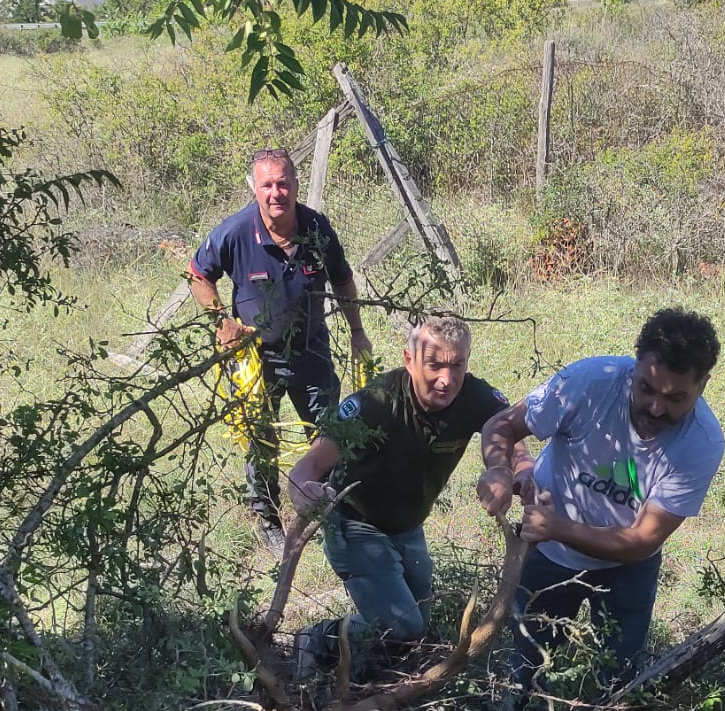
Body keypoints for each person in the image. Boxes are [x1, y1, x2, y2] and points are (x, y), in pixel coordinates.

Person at [475, 307, 724, 694]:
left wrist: (557, 527)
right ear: (635, 363)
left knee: (620, 679)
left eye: (676, 398)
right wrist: (499, 470)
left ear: (703, 386)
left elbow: (643, 539)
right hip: (548, 557)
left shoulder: (701, 443)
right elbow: (501, 425)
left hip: (627, 568)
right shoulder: (588, 383)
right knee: (529, 666)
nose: (656, 407)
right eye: (646, 388)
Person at [287, 313, 506, 669]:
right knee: (404, 626)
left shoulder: (474, 395)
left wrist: (504, 470)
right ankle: (319, 637)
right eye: (434, 365)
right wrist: (304, 492)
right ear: (409, 360)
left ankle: (366, 665)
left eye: (457, 365)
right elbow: (306, 468)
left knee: (417, 624)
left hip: (407, 526)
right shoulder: (376, 401)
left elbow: (508, 429)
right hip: (355, 523)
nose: (446, 379)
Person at [189, 149, 373, 556]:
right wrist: (223, 320)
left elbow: (343, 280)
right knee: (260, 438)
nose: (277, 192)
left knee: (329, 431)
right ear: (255, 188)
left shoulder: (316, 228)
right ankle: (267, 516)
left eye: (284, 183)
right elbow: (198, 274)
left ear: (296, 184)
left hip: (312, 350)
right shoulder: (236, 232)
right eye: (267, 184)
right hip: (257, 359)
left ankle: (333, 509)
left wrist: (357, 332)